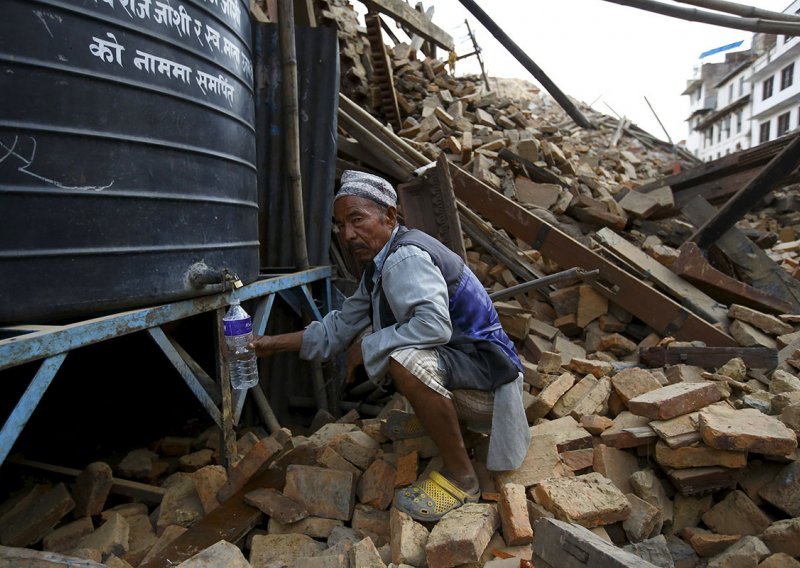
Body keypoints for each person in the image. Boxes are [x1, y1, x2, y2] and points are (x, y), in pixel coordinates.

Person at [249, 170, 530, 522]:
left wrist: (367, 345)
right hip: (473, 368)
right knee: (397, 351)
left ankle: (464, 479)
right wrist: (270, 344)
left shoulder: (404, 258)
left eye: (357, 219)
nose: (348, 234)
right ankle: (434, 422)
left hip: (492, 384)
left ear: (390, 216)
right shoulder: (379, 266)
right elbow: (337, 327)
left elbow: (433, 325)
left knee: (404, 359)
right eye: (341, 225)